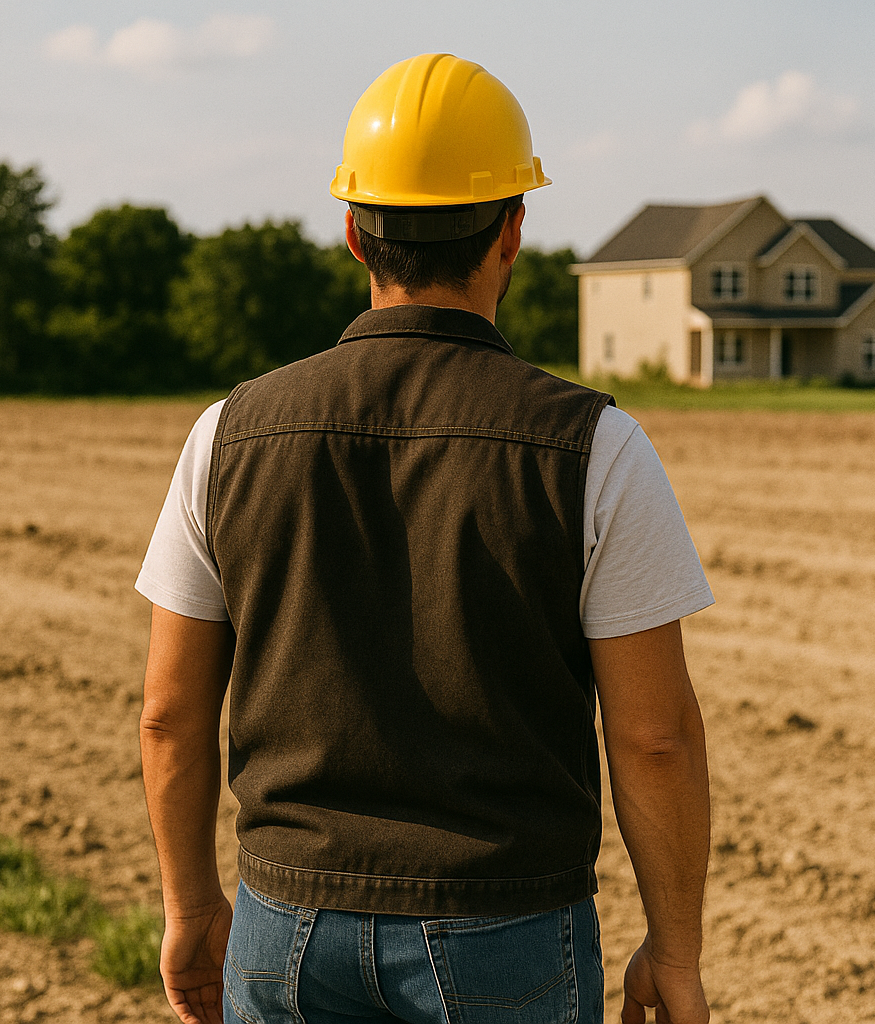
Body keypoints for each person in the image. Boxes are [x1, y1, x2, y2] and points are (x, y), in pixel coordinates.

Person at [136, 53, 713, 1024]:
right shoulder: (595, 446)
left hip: (285, 926)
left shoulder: (225, 433)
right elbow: (654, 736)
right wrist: (676, 950)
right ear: (513, 232)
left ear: (355, 233)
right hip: (506, 927)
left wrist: (192, 905)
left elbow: (167, 713)